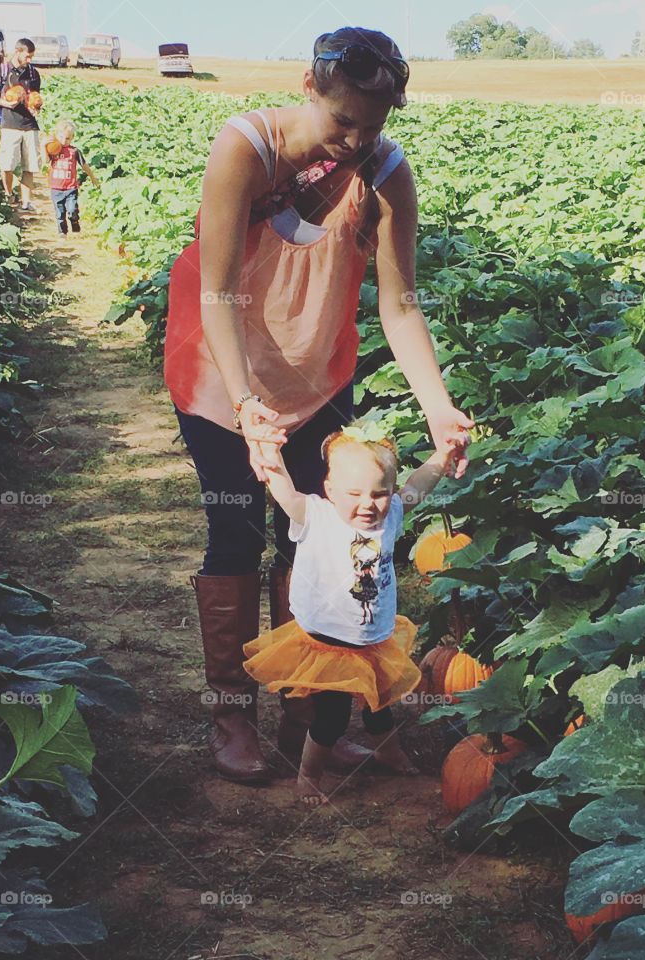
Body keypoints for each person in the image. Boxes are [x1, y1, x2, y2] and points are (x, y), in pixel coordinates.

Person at [163, 26, 474, 786]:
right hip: (219, 373)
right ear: (310, 85)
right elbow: (219, 290)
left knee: (318, 543)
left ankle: (311, 711)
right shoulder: (247, 148)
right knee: (235, 537)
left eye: (374, 124)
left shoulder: (387, 172)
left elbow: (399, 305)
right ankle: (231, 709)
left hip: (320, 381)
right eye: (344, 121)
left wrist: (439, 408)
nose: (356, 139)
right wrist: (245, 405)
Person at [243, 423, 455, 804]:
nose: (368, 504)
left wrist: (442, 456)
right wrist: (270, 458)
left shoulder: (390, 516)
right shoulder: (316, 517)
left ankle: (387, 751)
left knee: (379, 701)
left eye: (379, 493)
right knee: (332, 718)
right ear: (329, 490)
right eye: (354, 494)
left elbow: (418, 486)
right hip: (330, 641)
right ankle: (308, 776)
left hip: (373, 635)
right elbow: (285, 494)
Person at [0, 38, 42, 212]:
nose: (30, 60)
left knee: (30, 165)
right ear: (18, 51)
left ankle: (26, 202)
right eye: (27, 56)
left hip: (29, 125)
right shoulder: (2, 71)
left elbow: (34, 97)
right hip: (9, 124)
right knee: (7, 164)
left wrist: (35, 107)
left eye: (32, 57)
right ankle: (9, 195)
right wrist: (4, 103)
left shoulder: (33, 74)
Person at [41, 120, 99, 236]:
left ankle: (75, 221)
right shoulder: (53, 149)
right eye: (61, 137)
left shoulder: (74, 151)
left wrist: (93, 177)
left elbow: (84, 165)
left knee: (72, 210)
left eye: (67, 138)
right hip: (56, 188)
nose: (63, 141)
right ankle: (62, 232)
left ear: (72, 137)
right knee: (59, 213)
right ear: (56, 135)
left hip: (71, 187)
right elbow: (45, 160)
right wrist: (43, 146)